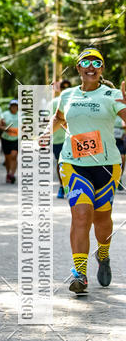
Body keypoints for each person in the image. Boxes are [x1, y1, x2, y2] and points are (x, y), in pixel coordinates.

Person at [49, 48, 126, 294]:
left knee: (102, 220)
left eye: (96, 62)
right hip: (73, 163)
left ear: (101, 69)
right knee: (81, 215)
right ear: (79, 67)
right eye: (86, 62)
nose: (91, 66)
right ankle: (79, 274)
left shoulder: (113, 95)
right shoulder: (67, 95)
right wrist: (42, 135)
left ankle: (103, 255)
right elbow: (59, 119)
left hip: (106, 166)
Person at [52, 79, 72, 198]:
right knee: (61, 164)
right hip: (58, 139)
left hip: (73, 139)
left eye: (68, 87)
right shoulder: (54, 103)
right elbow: (51, 120)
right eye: (63, 88)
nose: (66, 90)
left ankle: (73, 187)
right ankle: (61, 186)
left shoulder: (78, 101)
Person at [0, 99, 20, 183]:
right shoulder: (5, 114)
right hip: (6, 139)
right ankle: (8, 173)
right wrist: (5, 128)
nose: (14, 107)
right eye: (12, 106)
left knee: (14, 156)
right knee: (7, 158)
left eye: (16, 106)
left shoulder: (21, 115)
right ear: (10, 107)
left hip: (16, 139)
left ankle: (12, 174)